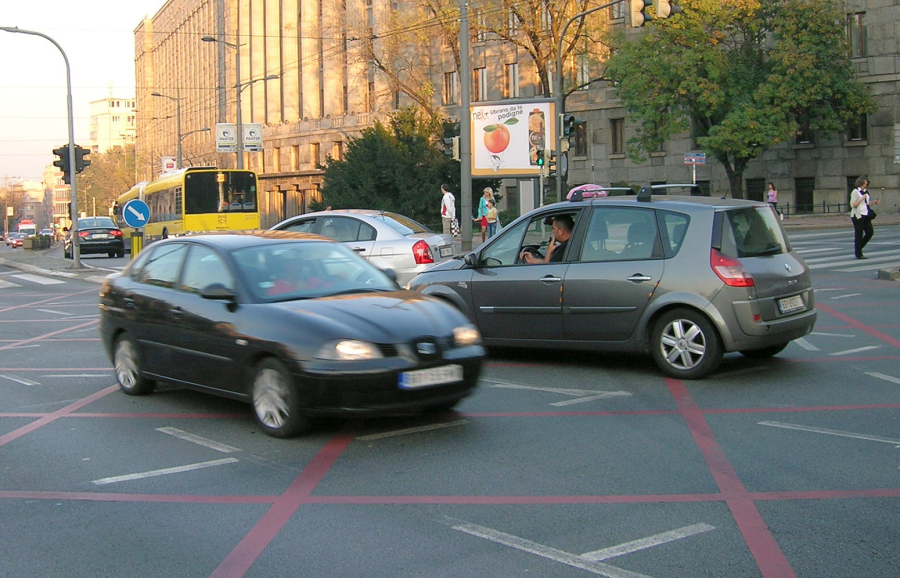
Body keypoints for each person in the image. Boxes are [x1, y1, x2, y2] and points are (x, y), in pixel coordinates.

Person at [849, 176, 879, 259]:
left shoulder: (866, 191)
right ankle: (859, 254)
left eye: (866, 184)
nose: (865, 185)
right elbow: (853, 205)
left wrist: (874, 202)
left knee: (870, 232)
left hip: (866, 215)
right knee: (859, 234)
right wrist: (861, 198)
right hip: (858, 216)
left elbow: (867, 203)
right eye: (864, 184)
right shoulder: (855, 192)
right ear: (860, 183)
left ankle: (858, 247)